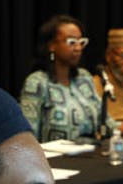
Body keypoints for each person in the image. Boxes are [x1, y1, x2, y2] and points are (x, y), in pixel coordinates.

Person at [20, 14, 116, 142]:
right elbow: (28, 133)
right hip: (54, 159)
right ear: (52, 45)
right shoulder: (37, 82)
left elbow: (106, 123)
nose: (78, 48)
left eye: (81, 42)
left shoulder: (84, 78)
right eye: (71, 42)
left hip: (90, 155)